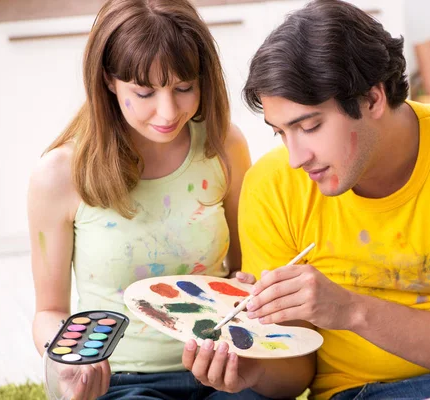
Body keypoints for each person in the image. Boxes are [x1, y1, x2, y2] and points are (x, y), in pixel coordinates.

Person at [183, 0, 430, 399]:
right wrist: (254, 367)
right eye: (280, 132)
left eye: (309, 126)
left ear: (373, 99)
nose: (296, 158)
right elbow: (295, 376)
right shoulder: (272, 185)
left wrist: (350, 310)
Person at [27, 0, 261, 398]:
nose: (168, 111)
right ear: (108, 80)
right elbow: (49, 312)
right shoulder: (59, 175)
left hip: (221, 367)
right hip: (125, 381)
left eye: (184, 88)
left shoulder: (224, 146)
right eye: (145, 92)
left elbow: (245, 268)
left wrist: (249, 288)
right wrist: (69, 361)